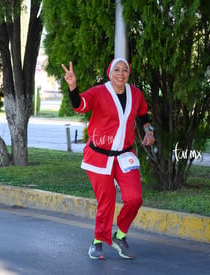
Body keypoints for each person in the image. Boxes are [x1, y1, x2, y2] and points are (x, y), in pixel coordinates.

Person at [61, 58, 155, 260]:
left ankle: (120, 236)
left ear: (128, 73)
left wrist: (149, 131)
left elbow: (143, 114)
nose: (120, 74)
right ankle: (97, 242)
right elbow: (80, 105)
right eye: (116, 70)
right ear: (109, 73)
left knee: (134, 198)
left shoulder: (135, 94)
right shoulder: (98, 92)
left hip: (125, 156)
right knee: (107, 201)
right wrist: (72, 86)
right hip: (98, 157)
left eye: (124, 70)